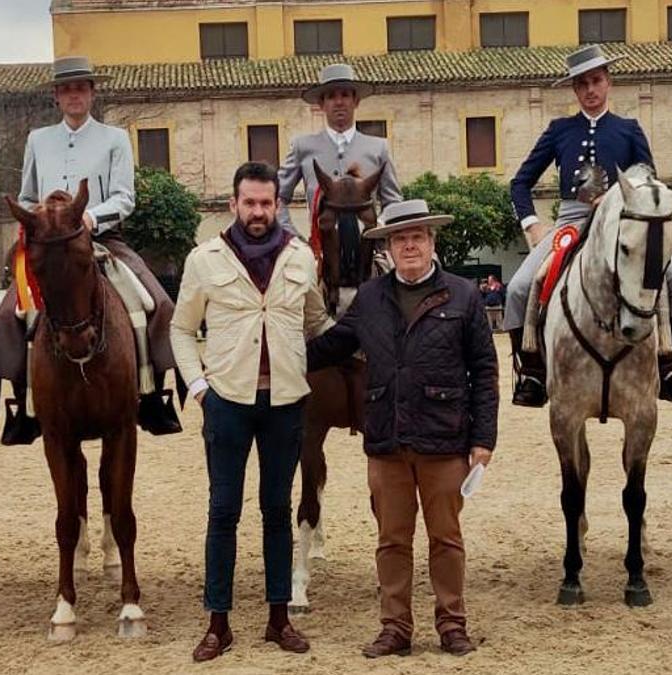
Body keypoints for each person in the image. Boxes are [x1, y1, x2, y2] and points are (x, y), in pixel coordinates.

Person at [308, 199, 499, 659]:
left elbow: (484, 370)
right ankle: (395, 627)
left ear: (431, 241)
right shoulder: (371, 298)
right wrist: (274, 353)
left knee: (446, 539)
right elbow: (333, 346)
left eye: (417, 236)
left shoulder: (464, 295)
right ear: (388, 247)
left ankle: (452, 623)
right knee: (391, 540)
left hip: (445, 437)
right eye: (399, 238)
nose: (409, 245)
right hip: (387, 441)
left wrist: (483, 439)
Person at [170, 162, 331, 662]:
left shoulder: (301, 258)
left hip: (284, 401)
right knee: (223, 512)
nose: (258, 211)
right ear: (234, 204)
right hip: (228, 403)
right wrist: (199, 387)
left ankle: (278, 618)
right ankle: (218, 622)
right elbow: (180, 329)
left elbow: (316, 322)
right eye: (250, 203)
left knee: (277, 511)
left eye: (267, 203)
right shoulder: (204, 259)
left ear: (278, 205)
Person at [0, 56, 177, 440]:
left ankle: (152, 396)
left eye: (80, 87)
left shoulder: (115, 138)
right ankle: (24, 404)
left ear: (92, 93)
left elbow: (124, 197)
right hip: (50, 246)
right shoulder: (38, 139)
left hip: (99, 238)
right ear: (56, 96)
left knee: (153, 302)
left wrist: (90, 218)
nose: (74, 95)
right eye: (66, 89)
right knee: (10, 314)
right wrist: (41, 219)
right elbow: (27, 194)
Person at [508, 44, 672, 407]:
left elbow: (648, 181)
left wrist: (617, 201)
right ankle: (532, 372)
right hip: (571, 222)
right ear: (574, 90)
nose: (590, 90)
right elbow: (519, 183)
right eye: (582, 84)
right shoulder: (559, 130)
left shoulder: (628, 130)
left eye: (596, 81)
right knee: (519, 288)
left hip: (620, 223)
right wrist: (533, 225)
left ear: (608, 82)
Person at [277, 63, 403, 236]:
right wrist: (292, 237)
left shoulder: (378, 148)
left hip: (369, 246)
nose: (339, 102)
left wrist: (378, 226)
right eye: (331, 96)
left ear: (356, 101)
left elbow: (393, 200)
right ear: (321, 104)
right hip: (320, 249)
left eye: (345, 95)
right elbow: (277, 198)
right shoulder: (302, 147)